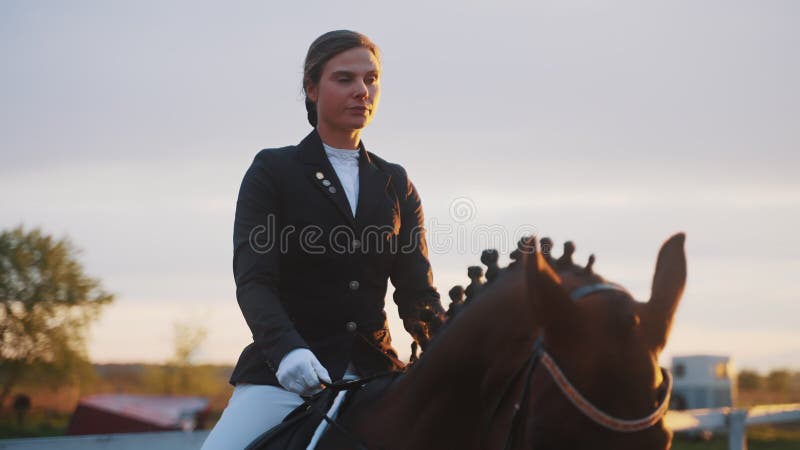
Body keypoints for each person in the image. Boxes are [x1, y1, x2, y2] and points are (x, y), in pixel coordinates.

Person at [201, 30, 445, 449]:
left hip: (377, 372)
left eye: (371, 80)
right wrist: (287, 352)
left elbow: (417, 293)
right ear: (311, 89)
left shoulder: (395, 182)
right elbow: (255, 281)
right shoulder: (272, 171)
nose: (362, 91)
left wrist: (451, 352)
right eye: (345, 79)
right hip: (284, 378)